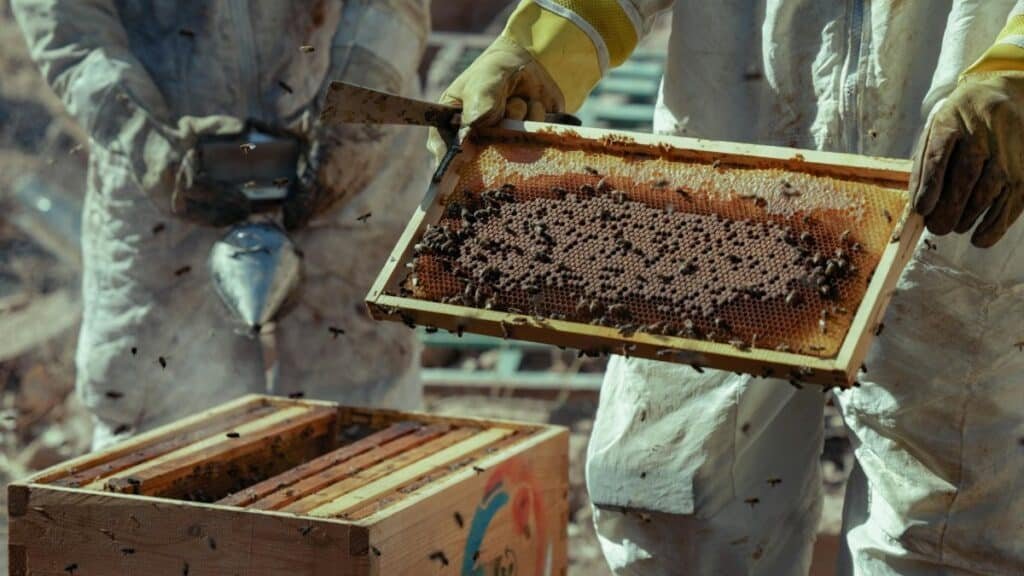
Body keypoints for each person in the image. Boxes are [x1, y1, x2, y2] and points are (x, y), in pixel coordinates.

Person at [432, 1, 1024, 574]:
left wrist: (1016, 72)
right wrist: (541, 47)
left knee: (943, 530)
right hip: (727, 162)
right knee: (672, 493)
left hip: (960, 167)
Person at [13, 0, 432, 449]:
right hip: (165, 155)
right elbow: (67, 18)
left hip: (348, 143)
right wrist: (139, 130)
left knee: (363, 403)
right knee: (160, 411)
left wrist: (361, 100)